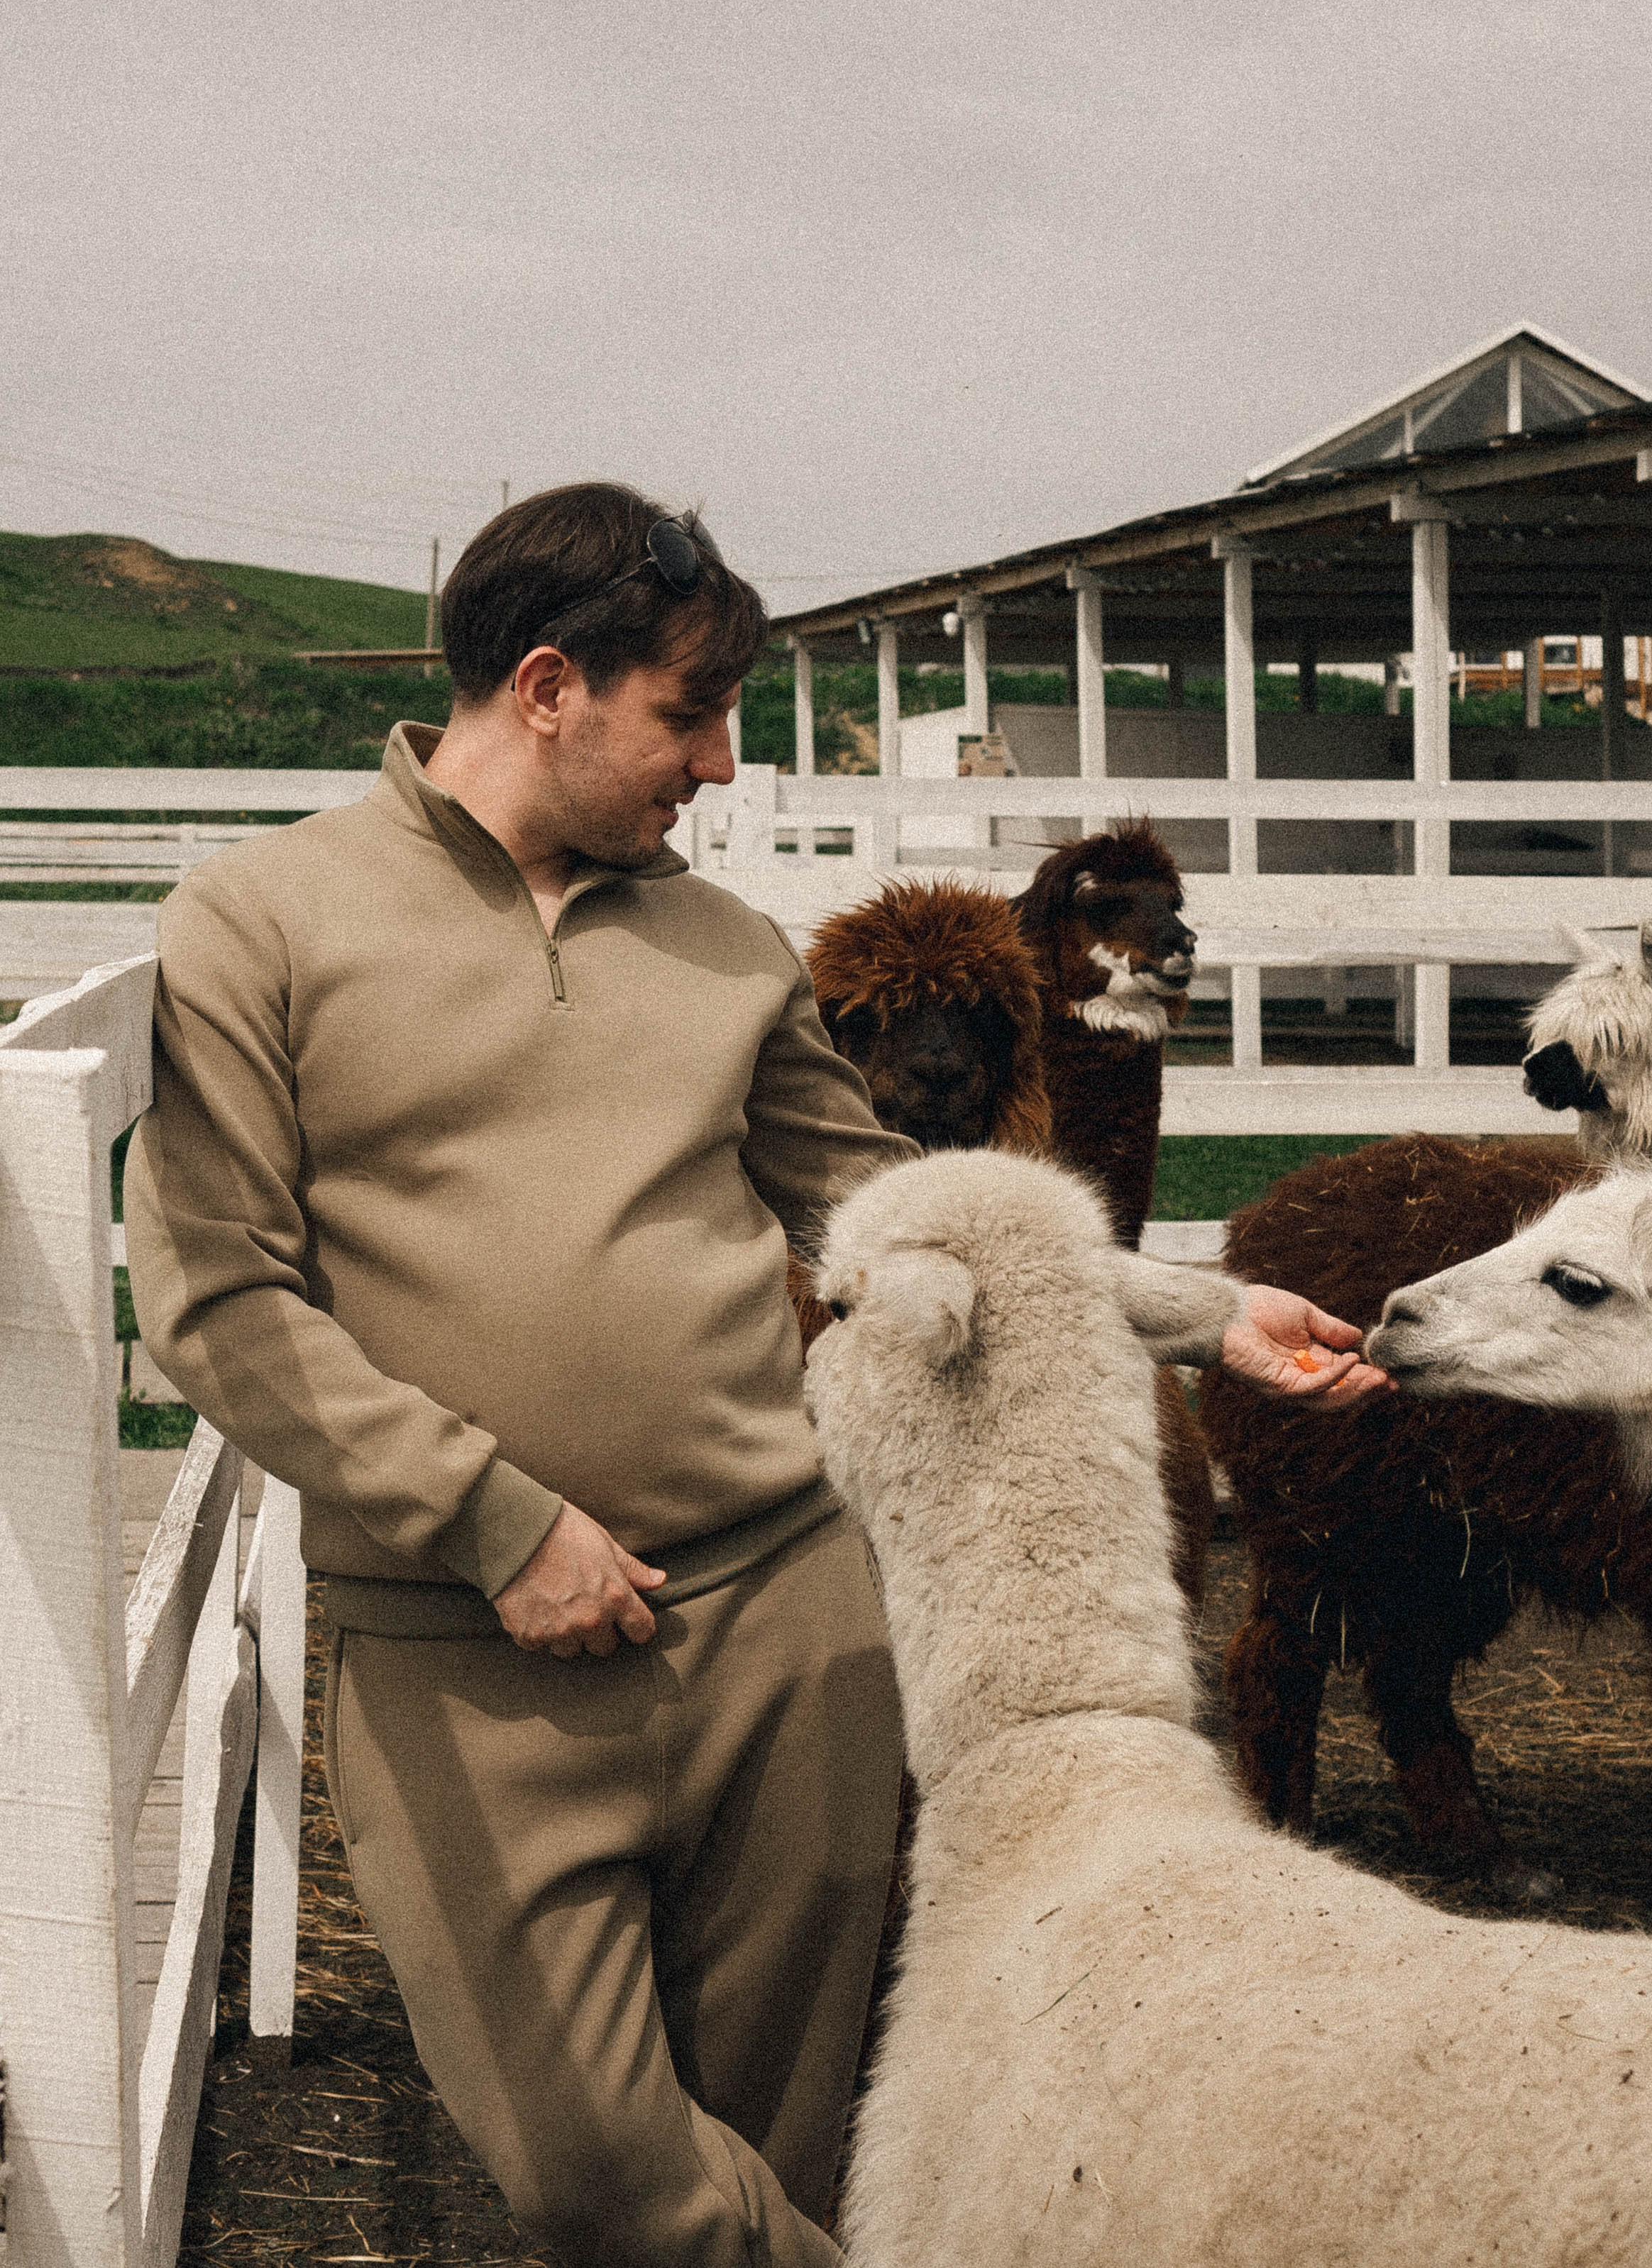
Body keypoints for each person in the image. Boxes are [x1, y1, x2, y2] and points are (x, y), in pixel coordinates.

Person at [126, 479, 1386, 2266]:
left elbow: (888, 1206)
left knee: (783, 2155)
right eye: (690, 714)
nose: (720, 765)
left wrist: (1193, 1312)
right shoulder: (261, 924)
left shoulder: (720, 951)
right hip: (463, 1651)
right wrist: (491, 1521)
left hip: (788, 1628)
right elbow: (221, 1299)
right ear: (548, 684)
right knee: (598, 2181)